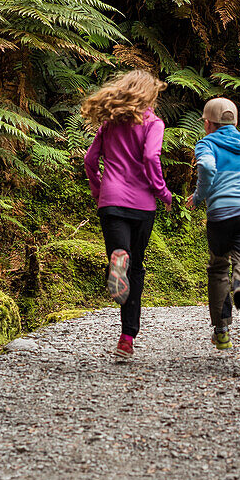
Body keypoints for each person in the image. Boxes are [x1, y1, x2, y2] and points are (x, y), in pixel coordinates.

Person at [82, 70, 172, 360]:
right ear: (149, 95)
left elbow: (89, 160)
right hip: (142, 204)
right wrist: (162, 191)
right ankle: (126, 338)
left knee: (121, 257)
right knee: (135, 269)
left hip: (111, 201)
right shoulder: (153, 123)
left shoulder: (109, 124)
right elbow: (150, 157)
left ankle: (118, 257)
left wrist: (98, 189)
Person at [186, 97, 240, 350]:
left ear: (208, 123)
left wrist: (199, 196)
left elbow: (208, 168)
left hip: (221, 214)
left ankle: (221, 331)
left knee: (219, 268)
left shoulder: (206, 143)